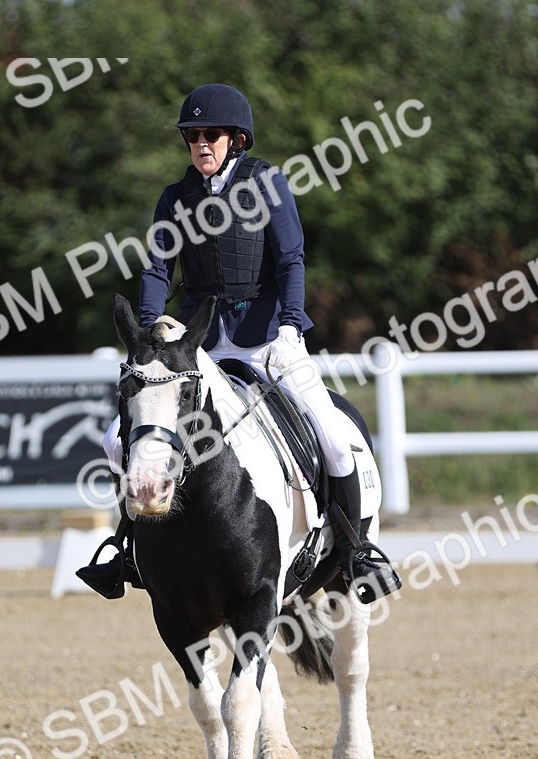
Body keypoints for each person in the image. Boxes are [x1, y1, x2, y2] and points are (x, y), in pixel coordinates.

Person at [77, 83, 395, 602]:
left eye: (212, 134)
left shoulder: (267, 182)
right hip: (195, 347)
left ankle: (357, 552)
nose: (201, 143)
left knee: (336, 436)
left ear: (237, 139)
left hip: (267, 337)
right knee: (118, 440)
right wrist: (152, 331)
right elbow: (158, 268)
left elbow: (291, 258)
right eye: (193, 136)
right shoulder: (174, 198)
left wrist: (292, 322)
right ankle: (127, 548)